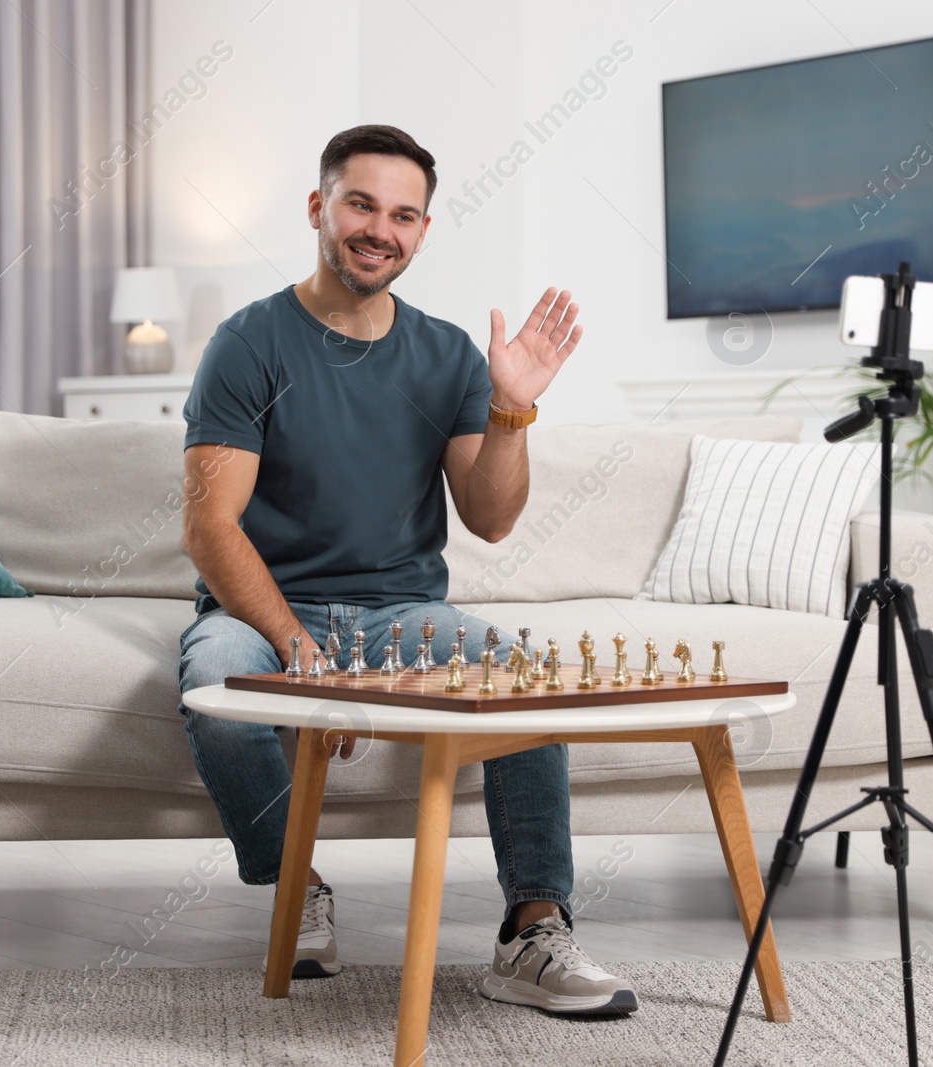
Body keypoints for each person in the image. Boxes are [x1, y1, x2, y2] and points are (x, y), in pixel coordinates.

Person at [177, 124, 637, 1016]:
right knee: (211, 681)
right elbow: (210, 527)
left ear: (422, 231)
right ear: (319, 208)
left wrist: (511, 408)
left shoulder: (448, 353)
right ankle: (294, 889)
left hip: (400, 611)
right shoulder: (249, 343)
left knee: (526, 680)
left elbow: (491, 519)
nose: (378, 228)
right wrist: (294, 643)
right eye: (360, 204)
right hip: (267, 607)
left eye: (403, 214)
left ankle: (533, 933)